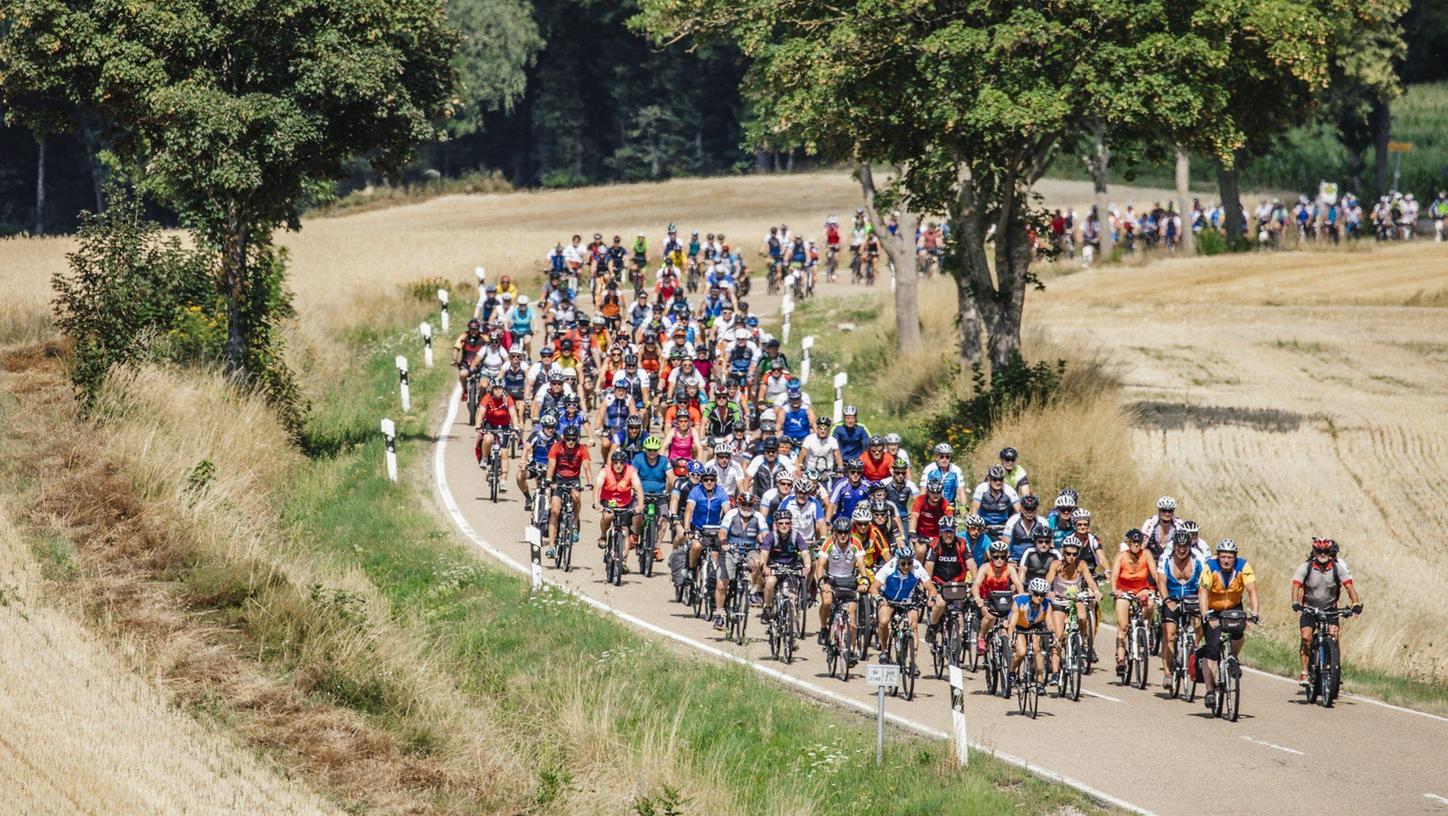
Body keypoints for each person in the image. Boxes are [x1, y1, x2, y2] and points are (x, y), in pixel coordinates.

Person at [1197, 538, 1260, 710]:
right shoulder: (1210, 566)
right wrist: (1206, 615)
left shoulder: (1243, 566)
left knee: (1238, 634)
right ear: (1218, 556)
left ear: (1235, 557)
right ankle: (1210, 691)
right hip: (1213, 610)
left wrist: (1254, 613)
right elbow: (1203, 592)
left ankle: (1233, 658)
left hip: (1233, 607)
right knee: (1212, 648)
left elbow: (1252, 590)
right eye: (1223, 556)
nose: (1226, 560)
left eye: (1230, 557)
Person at [1291, 537, 1361, 686]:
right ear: (1314, 552)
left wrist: (1355, 604)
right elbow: (1296, 586)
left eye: (1326, 551)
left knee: (1334, 636)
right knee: (1306, 637)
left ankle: (1333, 668)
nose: (1323, 554)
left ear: (1330, 553)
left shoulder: (1337, 569)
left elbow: (1349, 587)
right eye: (1319, 551)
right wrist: (1296, 603)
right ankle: (1304, 673)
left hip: (1330, 609)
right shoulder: (1306, 567)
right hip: (1309, 608)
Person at [871, 546, 938, 672]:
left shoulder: (917, 567)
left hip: (909, 599)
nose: (907, 566)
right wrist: (879, 598)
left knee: (913, 625)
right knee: (884, 621)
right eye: (903, 563)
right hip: (889, 598)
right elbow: (874, 587)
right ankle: (884, 650)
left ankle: (913, 662)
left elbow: (931, 588)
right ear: (897, 561)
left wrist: (932, 599)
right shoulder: (889, 567)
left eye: (909, 563)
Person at [1044, 539, 1098, 679]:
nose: (1071, 557)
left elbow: (1090, 581)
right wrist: (1048, 591)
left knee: (1082, 617)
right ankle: (1055, 673)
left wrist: (1096, 591)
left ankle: (1084, 642)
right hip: (1059, 601)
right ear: (1063, 552)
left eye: (1074, 554)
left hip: (1075, 599)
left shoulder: (1081, 565)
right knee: (1058, 636)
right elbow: (1048, 581)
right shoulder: (1056, 565)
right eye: (1068, 553)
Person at [1110, 528, 1161, 676]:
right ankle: (1120, 659)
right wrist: (1114, 590)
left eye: (1139, 542)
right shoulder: (1122, 556)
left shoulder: (1147, 554)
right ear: (1129, 543)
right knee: (1123, 626)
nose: (1136, 545)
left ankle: (1144, 630)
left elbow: (1155, 573)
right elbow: (1114, 575)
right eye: (1133, 542)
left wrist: (1158, 589)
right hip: (1123, 590)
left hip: (1141, 589)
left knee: (1150, 604)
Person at [1156, 529, 1203, 689]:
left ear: (1190, 546)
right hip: (1172, 598)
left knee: (1202, 622)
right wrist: (1167, 599)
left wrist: (1204, 601)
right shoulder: (1165, 557)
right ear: (1174, 545)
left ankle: (1193, 648)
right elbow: (1161, 581)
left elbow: (1206, 581)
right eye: (1178, 546)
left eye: (1185, 547)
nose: (1181, 550)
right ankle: (1168, 673)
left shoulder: (1198, 558)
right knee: (1170, 635)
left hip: (1193, 597)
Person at [715, 494, 767, 628]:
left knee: (759, 562)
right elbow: (722, 531)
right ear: (739, 504)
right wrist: (724, 542)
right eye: (744, 504)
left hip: (750, 550)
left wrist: (764, 539)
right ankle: (719, 614)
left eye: (750, 505)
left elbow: (765, 533)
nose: (747, 508)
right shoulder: (731, 514)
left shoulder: (758, 517)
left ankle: (753, 589)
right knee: (722, 584)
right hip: (731, 549)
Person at [924, 516, 977, 641]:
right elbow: (929, 567)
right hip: (939, 582)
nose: (948, 535)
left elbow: (971, 563)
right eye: (945, 531)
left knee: (959, 613)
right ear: (940, 532)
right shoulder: (935, 544)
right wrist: (930, 591)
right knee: (940, 603)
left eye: (951, 531)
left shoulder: (961, 543)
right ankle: (932, 626)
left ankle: (956, 642)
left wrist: (975, 582)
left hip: (957, 582)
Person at [543, 427, 592, 560]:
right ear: (564, 438)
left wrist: (590, 482)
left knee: (576, 498)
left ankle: (575, 523)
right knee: (555, 511)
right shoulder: (556, 447)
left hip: (573, 479)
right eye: (568, 439)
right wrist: (548, 480)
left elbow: (587, 467)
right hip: (558, 479)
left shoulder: (581, 449)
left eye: (573, 439)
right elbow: (551, 465)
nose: (571, 442)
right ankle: (551, 547)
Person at [757, 510, 813, 627]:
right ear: (776, 524)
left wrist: (807, 566)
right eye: (781, 523)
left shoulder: (796, 536)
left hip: (790, 568)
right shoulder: (771, 536)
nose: (784, 525)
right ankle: (767, 608)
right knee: (770, 582)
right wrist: (764, 566)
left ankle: (791, 632)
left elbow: (805, 553)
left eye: (787, 523)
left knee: (792, 598)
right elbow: (763, 554)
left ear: (791, 524)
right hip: (774, 567)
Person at [973, 540, 1023, 655]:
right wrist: (977, 598)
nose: (999, 560)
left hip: (1003, 599)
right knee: (990, 617)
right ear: (991, 557)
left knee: (1011, 619)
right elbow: (976, 584)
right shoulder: (985, 567)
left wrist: (1020, 598)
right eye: (996, 557)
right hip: (986, 599)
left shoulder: (1009, 568)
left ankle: (1009, 643)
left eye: (1002, 557)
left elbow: (1019, 584)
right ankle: (981, 638)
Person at [595, 449, 643, 563]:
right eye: (616, 462)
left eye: (621, 462)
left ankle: (623, 559)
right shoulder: (605, 471)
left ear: (625, 463)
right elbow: (597, 486)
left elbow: (638, 488)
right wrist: (596, 502)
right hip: (608, 500)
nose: (618, 465)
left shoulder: (631, 472)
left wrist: (640, 505)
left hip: (624, 503)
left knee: (625, 530)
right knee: (608, 516)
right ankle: (603, 535)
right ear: (612, 462)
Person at [631, 436, 671, 561]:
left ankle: (657, 548)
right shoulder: (638, 459)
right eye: (649, 450)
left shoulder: (664, 461)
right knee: (637, 513)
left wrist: (668, 491)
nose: (652, 453)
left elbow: (671, 478)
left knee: (663, 520)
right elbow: (632, 475)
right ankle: (636, 534)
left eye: (654, 450)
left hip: (660, 495)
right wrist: (634, 490)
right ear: (645, 449)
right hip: (642, 493)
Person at [1010, 578, 1054, 692]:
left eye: (1042, 595)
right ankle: (1011, 673)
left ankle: (1040, 682)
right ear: (1031, 592)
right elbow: (1012, 623)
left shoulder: (1046, 603)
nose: (1039, 597)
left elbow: (1049, 621)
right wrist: (1010, 637)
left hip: (1035, 625)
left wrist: (1053, 635)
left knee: (1037, 649)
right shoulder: (1019, 601)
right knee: (1021, 652)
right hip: (1019, 625)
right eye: (1036, 594)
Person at [474, 381, 520, 486]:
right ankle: (485, 458)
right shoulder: (487, 397)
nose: (498, 391)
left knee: (504, 453)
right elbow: (481, 412)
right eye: (495, 388)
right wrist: (478, 426)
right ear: (492, 389)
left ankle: (503, 480)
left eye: (500, 388)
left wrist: (515, 427)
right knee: (488, 439)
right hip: (490, 423)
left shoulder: (508, 399)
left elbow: (513, 414)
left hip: (504, 425)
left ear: (503, 389)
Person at [518, 414, 558, 513]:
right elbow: (526, 447)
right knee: (520, 476)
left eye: (553, 427)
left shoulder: (557, 438)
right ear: (543, 427)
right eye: (548, 427)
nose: (551, 430)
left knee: (550, 492)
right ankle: (528, 498)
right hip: (536, 465)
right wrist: (522, 461)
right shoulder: (536, 435)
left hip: (551, 468)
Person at [969, 465, 1022, 531]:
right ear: (989, 479)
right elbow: (975, 508)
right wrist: (975, 526)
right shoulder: (981, 488)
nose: (998, 482)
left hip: (1003, 524)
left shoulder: (1009, 490)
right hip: (984, 524)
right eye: (995, 479)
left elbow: (1019, 510)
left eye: (1000, 479)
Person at [1001, 495, 1050, 561]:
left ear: (1036, 509)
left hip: (1036, 560)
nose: (1030, 512)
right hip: (1015, 559)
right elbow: (1005, 543)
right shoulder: (1013, 520)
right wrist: (1009, 559)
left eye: (1033, 509)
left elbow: (1050, 544)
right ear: (1021, 508)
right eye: (1027, 508)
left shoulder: (1043, 522)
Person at [452, 318, 487, 399]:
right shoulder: (464, 336)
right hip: (466, 363)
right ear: (469, 328)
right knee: (462, 374)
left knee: (485, 380)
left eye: (475, 329)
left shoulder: (484, 337)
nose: (473, 331)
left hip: (480, 364)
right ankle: (465, 391)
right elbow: (456, 349)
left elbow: (492, 346)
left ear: (478, 329)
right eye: (471, 329)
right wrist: (454, 359)